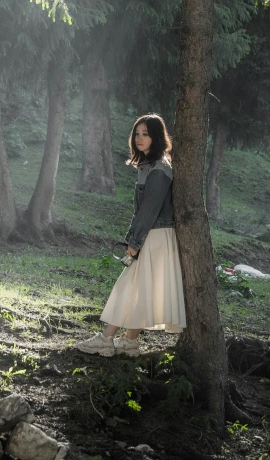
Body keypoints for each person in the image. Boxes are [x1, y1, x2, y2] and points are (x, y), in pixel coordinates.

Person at [74, 113, 186, 358]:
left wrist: (134, 243)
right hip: (155, 235)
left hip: (154, 236)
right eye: (137, 133)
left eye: (146, 134)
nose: (140, 138)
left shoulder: (159, 168)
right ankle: (130, 341)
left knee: (129, 285)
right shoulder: (151, 166)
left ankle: (106, 339)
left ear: (157, 137)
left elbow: (148, 211)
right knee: (141, 288)